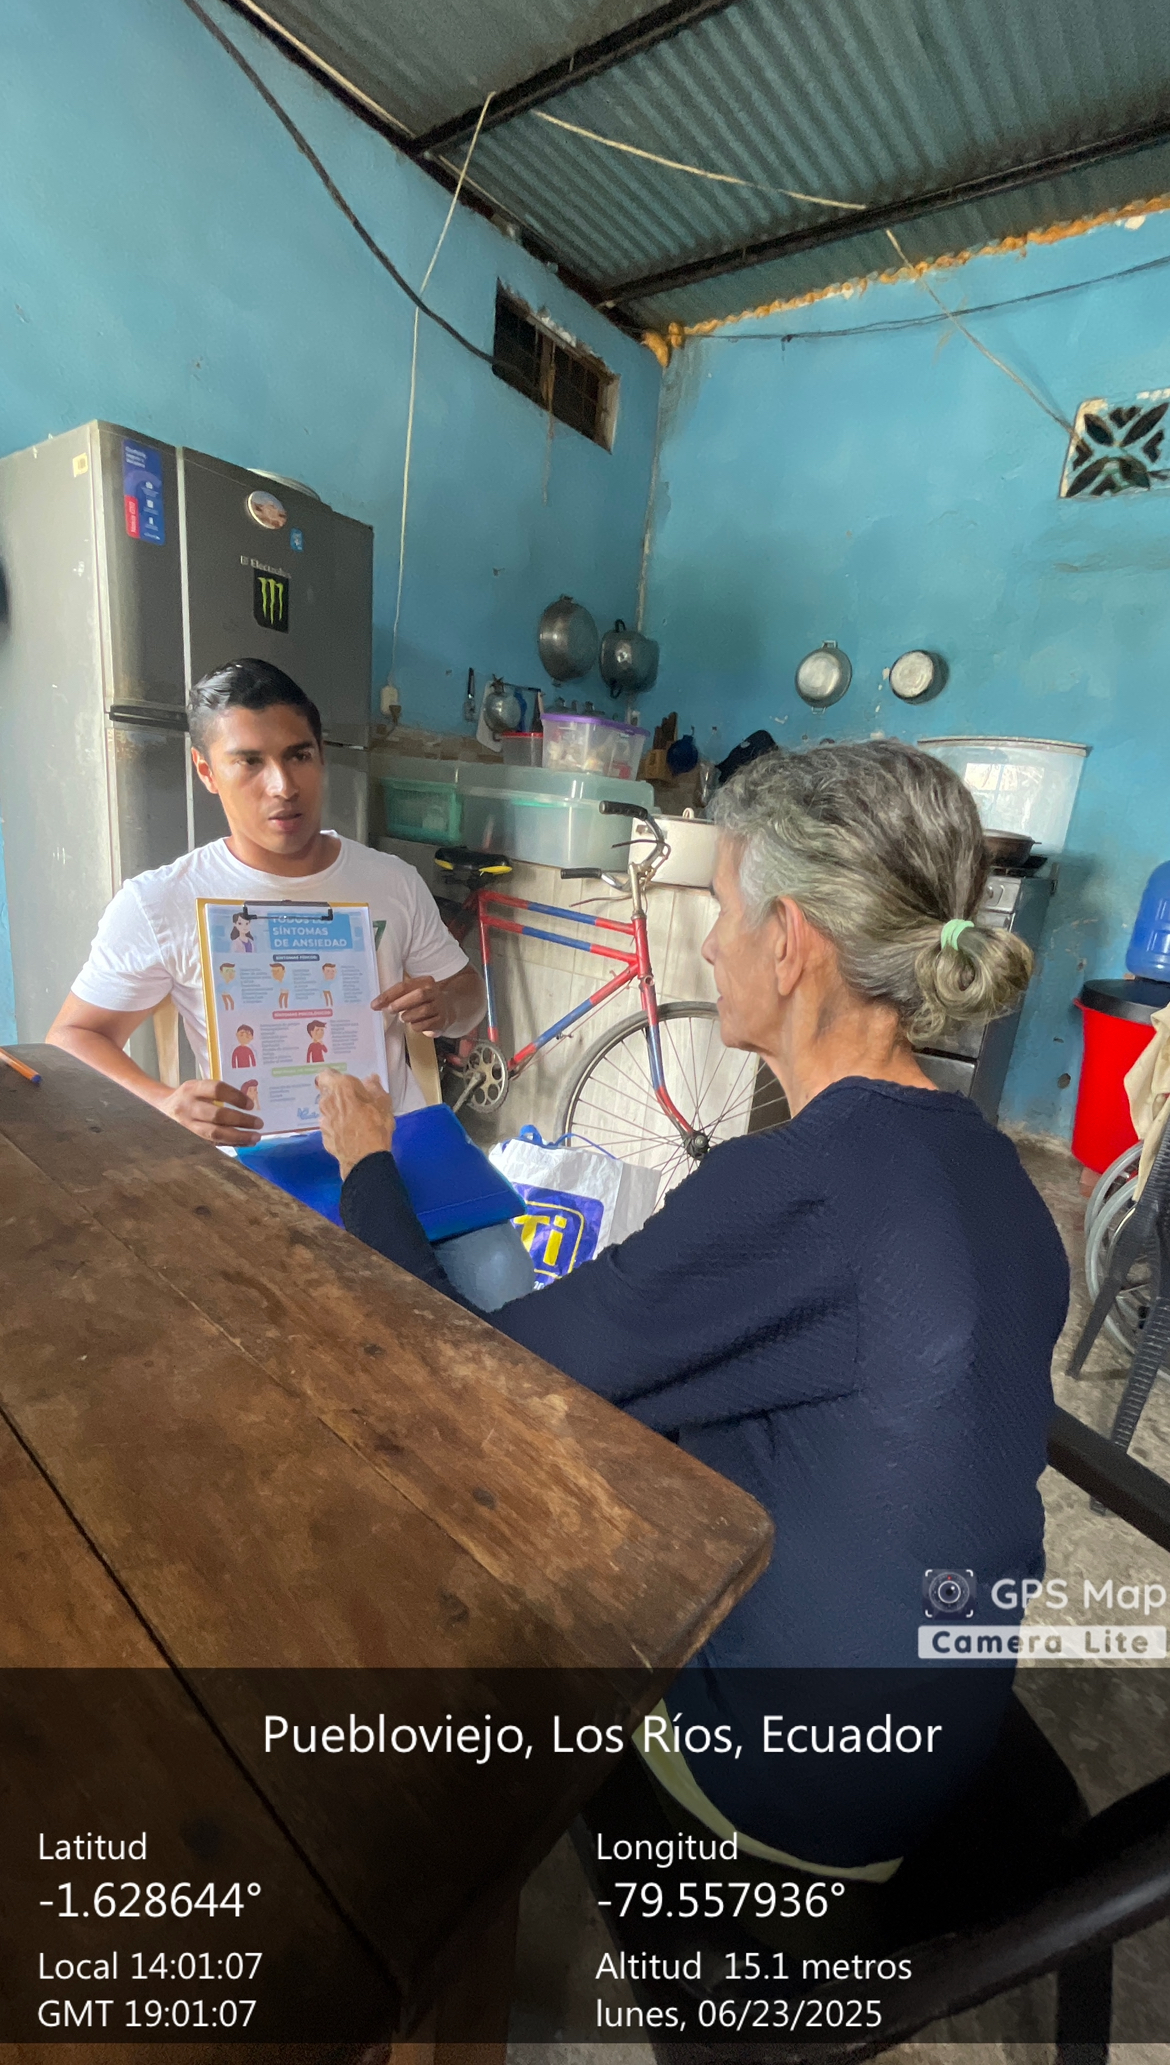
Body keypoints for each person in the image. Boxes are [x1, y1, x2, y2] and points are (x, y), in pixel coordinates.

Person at [315, 741, 1069, 1873]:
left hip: (797, 1778)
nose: (711, 944)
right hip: (935, 1718)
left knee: (469, 1514)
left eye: (722, 909)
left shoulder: (798, 1185)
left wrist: (367, 1163)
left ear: (790, 939)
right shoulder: (989, 1165)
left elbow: (475, 1374)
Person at [46, 659, 485, 1145]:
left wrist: (446, 1006)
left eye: (299, 755)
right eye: (250, 762)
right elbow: (72, 1038)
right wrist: (162, 1103)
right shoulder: (161, 902)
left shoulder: (391, 881)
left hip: (390, 1147)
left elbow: (470, 998)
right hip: (256, 1165)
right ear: (207, 771)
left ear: (321, 756)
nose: (283, 786)